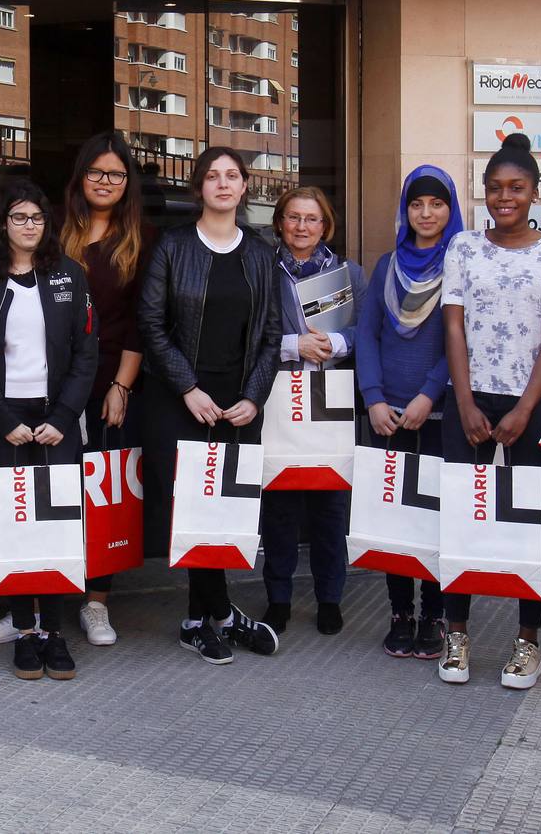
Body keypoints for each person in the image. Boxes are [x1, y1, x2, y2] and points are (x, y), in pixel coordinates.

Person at [0, 132, 156, 648]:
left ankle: (96, 603)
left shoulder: (140, 237)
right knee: (35, 495)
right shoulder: (49, 224)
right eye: (96, 172)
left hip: (108, 381)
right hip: (44, 388)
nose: (105, 182)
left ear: (127, 183)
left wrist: (122, 385)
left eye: (116, 174)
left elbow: (141, 322)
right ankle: (27, 602)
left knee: (100, 493)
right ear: (80, 177)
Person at [437, 132, 541, 690]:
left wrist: (526, 406)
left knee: (526, 521)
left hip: (534, 404)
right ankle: (457, 633)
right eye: (494, 188)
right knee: (462, 516)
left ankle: (527, 642)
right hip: (469, 397)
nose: (504, 197)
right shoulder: (464, 247)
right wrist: (464, 400)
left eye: (516, 187)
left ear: (536, 193)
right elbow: (452, 324)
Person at [0, 179, 99, 681]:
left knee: (55, 527)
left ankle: (53, 631)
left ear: (47, 224)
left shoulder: (71, 277)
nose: (29, 226)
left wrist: (61, 420)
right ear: (3, 224)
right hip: (2, 422)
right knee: (14, 527)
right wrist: (0, 419)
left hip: (57, 419)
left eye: (36, 218)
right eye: (19, 217)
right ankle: (23, 629)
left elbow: (86, 355)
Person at [137, 147, 282, 665]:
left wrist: (253, 396)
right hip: (179, 400)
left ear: (245, 186)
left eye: (233, 176)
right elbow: (150, 326)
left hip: (236, 403)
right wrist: (187, 388)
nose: (223, 184)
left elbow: (271, 335)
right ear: (199, 186)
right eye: (213, 176)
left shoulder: (262, 254)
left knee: (222, 509)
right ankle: (217, 613)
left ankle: (204, 619)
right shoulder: (172, 246)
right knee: (193, 508)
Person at [354, 165, 459, 661]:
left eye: (436, 204)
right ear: (405, 210)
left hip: (437, 415)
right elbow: (368, 335)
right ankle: (401, 614)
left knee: (433, 519)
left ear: (450, 209)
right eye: (417, 204)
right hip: (387, 416)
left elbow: (461, 340)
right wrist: (373, 398)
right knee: (395, 520)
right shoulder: (386, 266)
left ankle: (434, 616)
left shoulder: (461, 266)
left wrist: (429, 394)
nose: (426, 213)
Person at [258, 186, 364, 637]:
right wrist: (291, 344)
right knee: (279, 504)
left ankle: (329, 599)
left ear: (326, 225)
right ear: (280, 221)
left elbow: (367, 331)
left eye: (312, 219)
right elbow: (250, 331)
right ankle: (278, 599)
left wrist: (338, 342)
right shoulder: (262, 268)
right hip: (278, 394)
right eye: (294, 217)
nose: (302, 227)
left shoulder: (346, 272)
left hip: (330, 396)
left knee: (330, 505)